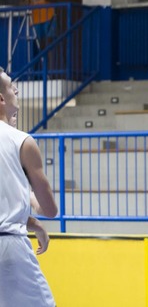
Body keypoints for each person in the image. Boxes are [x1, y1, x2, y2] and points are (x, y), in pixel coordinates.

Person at [0, 66, 59, 306]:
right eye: (10, 85)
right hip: (9, 245)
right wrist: (32, 203)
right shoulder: (22, 141)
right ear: (1, 99)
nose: (16, 89)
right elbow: (50, 209)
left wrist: (32, 222)